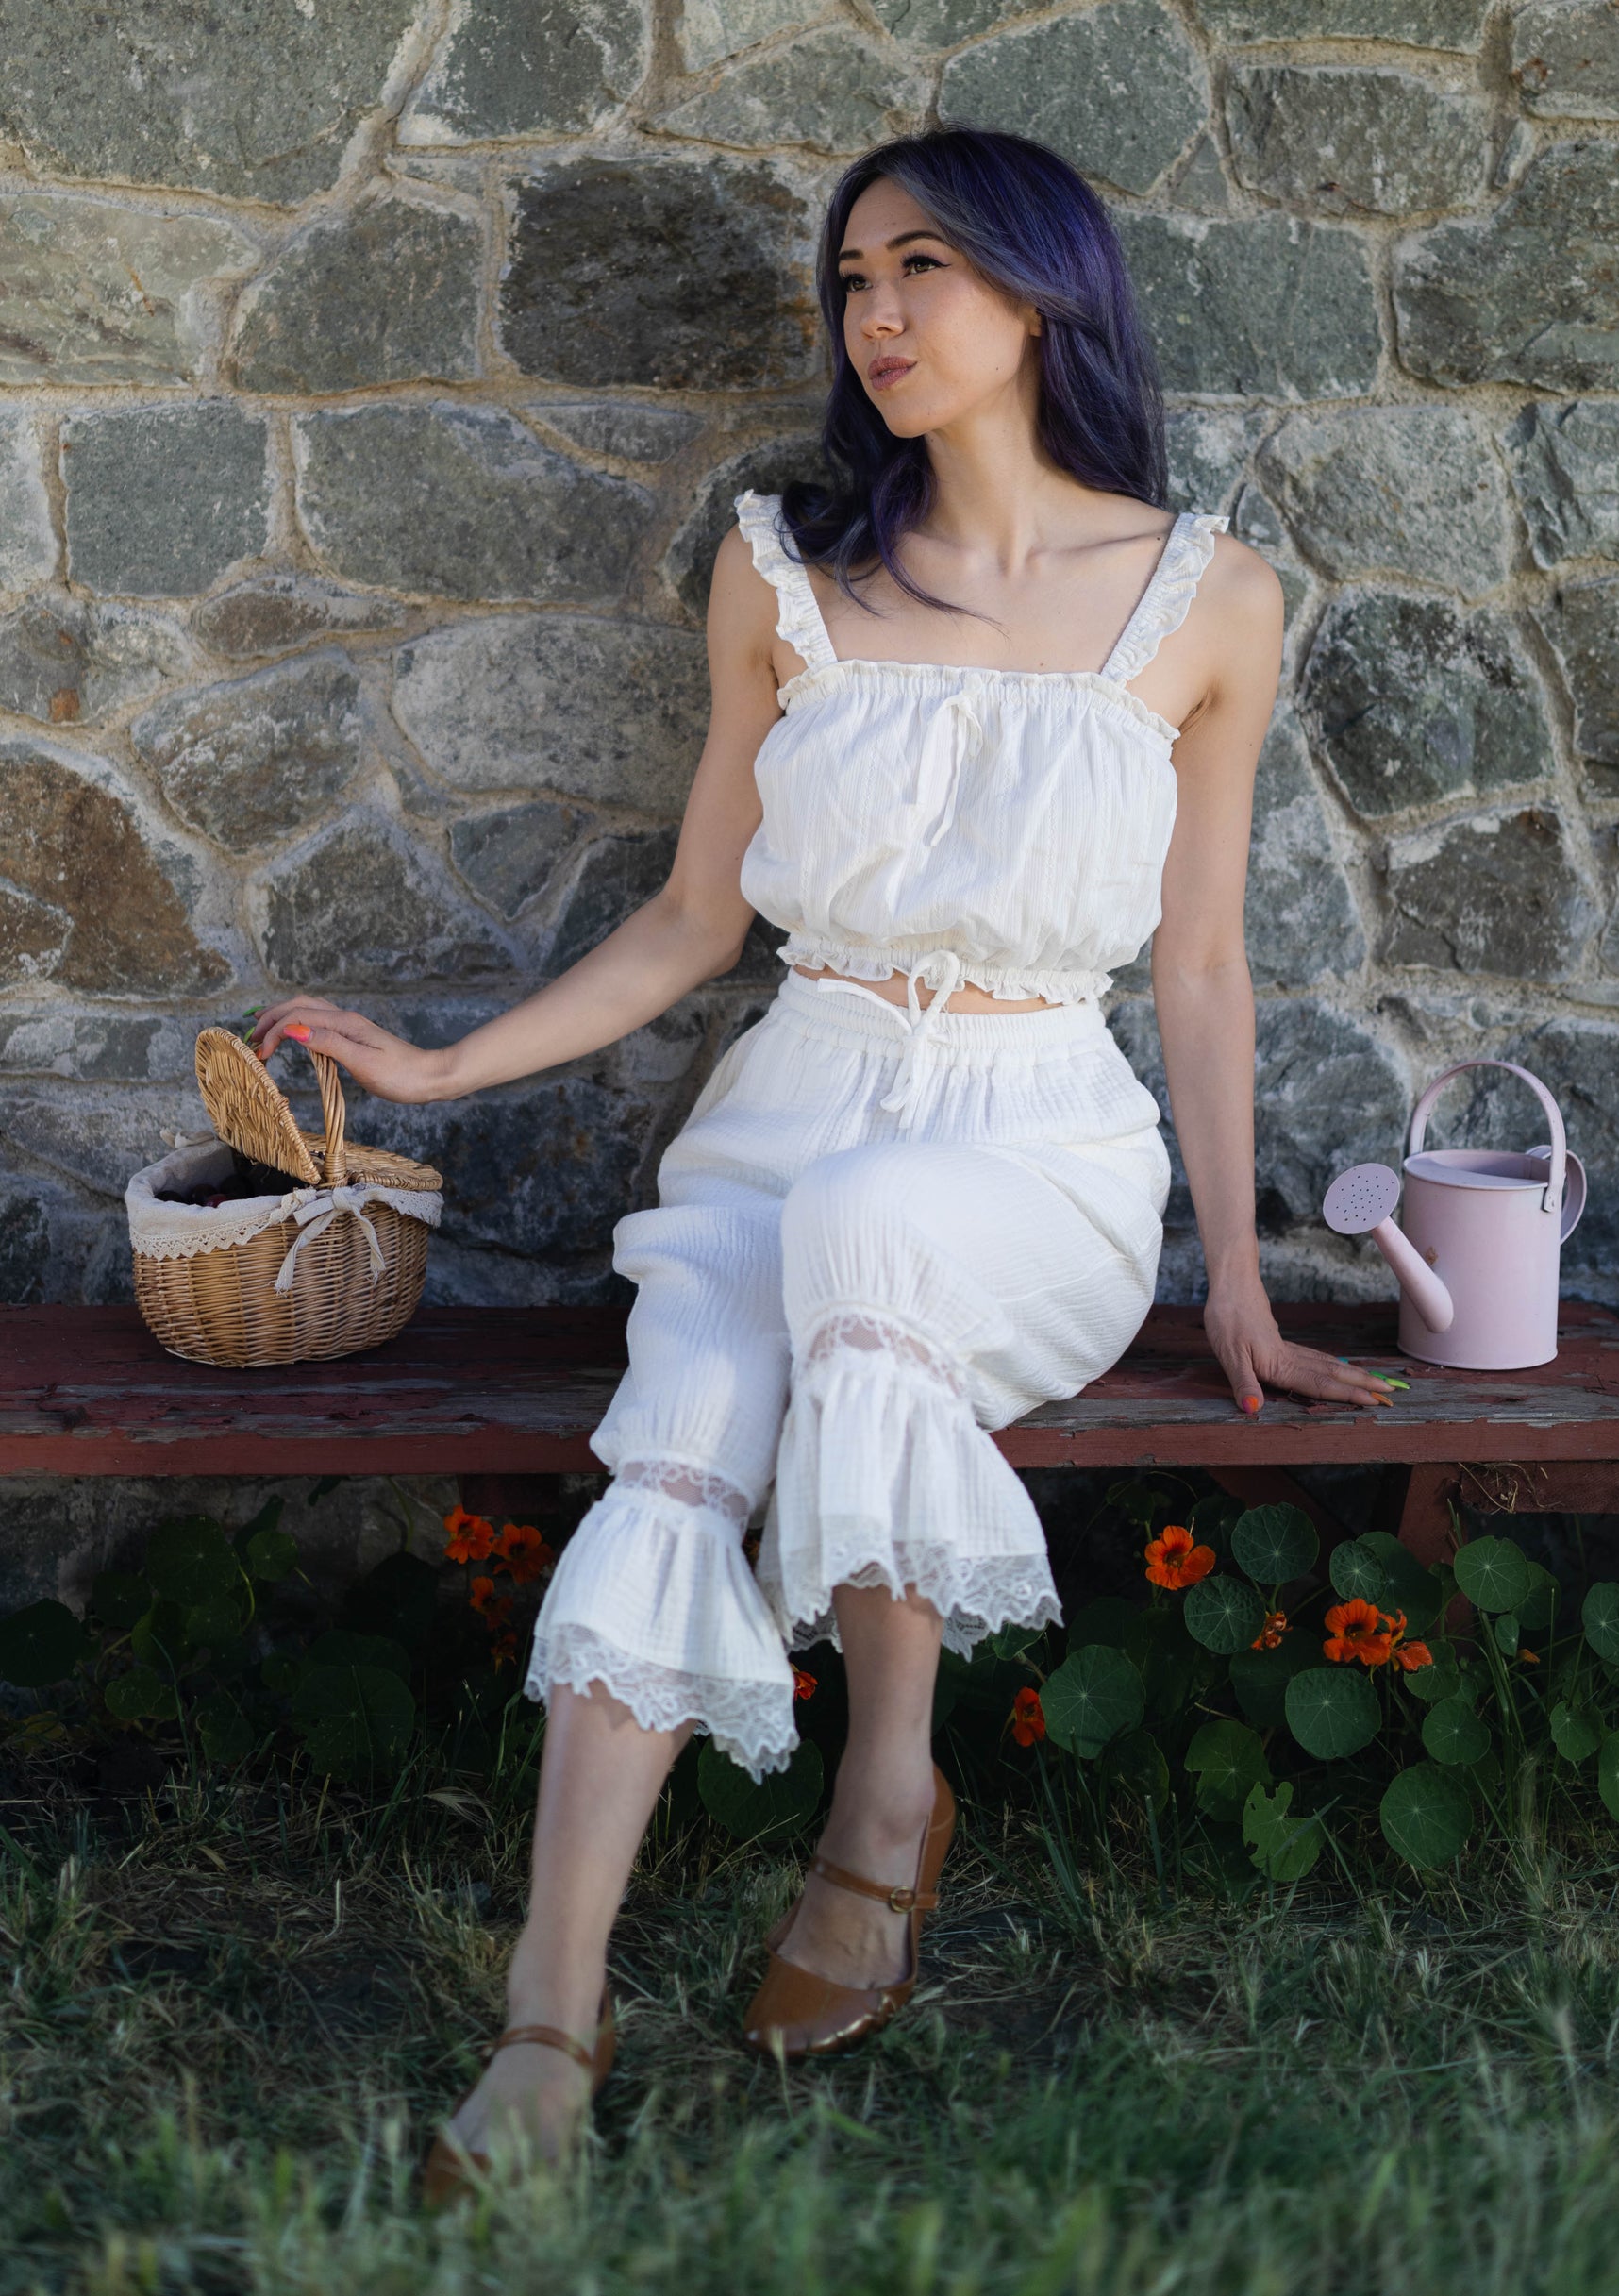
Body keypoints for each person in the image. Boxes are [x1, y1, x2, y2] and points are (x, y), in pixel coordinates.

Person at [250, 126, 1392, 2198]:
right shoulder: (785, 576)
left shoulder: (1206, 598)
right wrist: (441, 1064)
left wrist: (1232, 1275)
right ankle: (546, 2020)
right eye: (851, 277)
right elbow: (699, 919)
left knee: (871, 1235)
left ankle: (885, 1797)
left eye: (924, 268)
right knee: (683, 1420)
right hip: (796, 1106)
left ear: (1045, 292)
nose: (873, 314)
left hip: (1031, 1146)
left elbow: (1205, 967)